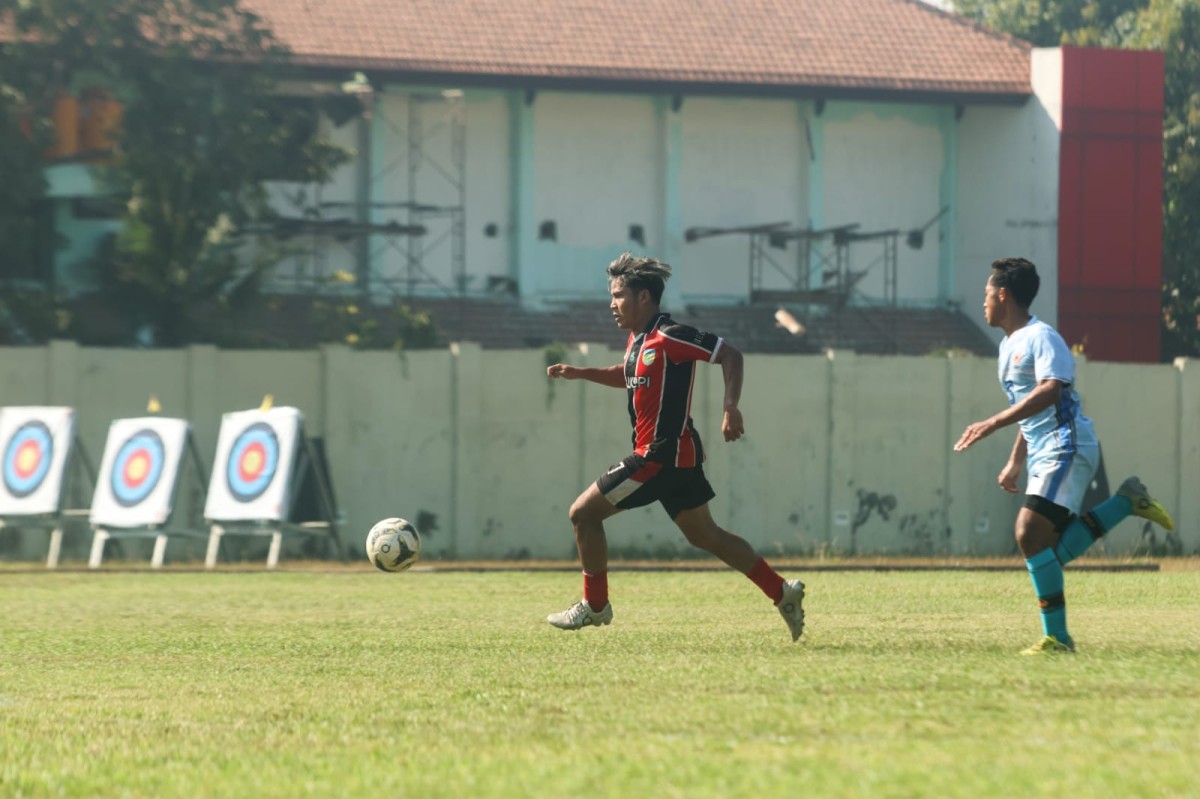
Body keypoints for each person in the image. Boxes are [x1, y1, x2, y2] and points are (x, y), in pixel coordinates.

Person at [544, 252, 806, 641]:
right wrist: (581, 372)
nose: (611, 304)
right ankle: (782, 592)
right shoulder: (639, 340)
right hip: (679, 458)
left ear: (643, 297)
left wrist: (730, 407)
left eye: (618, 295)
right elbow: (629, 375)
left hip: (658, 456)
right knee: (706, 535)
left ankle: (595, 606)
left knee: (583, 514)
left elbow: (730, 355)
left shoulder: (670, 335)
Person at [954, 257, 1174, 654]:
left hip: (1066, 444)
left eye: (986, 293)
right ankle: (1125, 502)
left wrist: (993, 422)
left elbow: (1051, 390)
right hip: (1045, 450)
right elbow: (1029, 408)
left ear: (1002, 295)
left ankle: (1058, 638)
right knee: (1045, 551)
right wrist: (1016, 460)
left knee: (1028, 535)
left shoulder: (1042, 337)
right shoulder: (1007, 346)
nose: (982, 300)